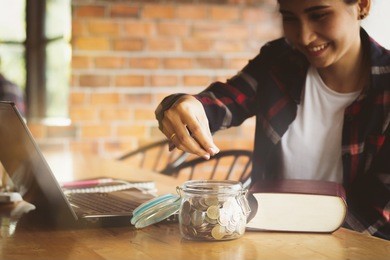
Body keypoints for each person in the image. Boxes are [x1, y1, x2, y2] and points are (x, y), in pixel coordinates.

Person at [155, 0, 389, 239]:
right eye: (289, 17)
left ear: (362, 5)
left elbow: (377, 217)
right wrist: (180, 106)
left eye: (319, 15)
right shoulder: (279, 59)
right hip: (266, 242)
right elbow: (224, 102)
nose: (304, 36)